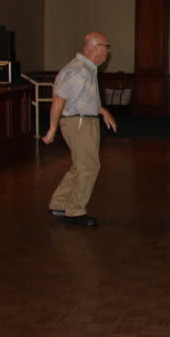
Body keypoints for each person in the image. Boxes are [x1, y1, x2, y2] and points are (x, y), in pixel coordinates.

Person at [43, 31, 117, 227]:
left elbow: (85, 98)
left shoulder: (88, 69)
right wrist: (52, 129)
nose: (108, 52)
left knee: (80, 165)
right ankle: (75, 211)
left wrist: (103, 111)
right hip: (78, 123)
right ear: (94, 47)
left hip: (84, 121)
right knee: (88, 166)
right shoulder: (78, 70)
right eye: (106, 47)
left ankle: (59, 203)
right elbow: (59, 99)